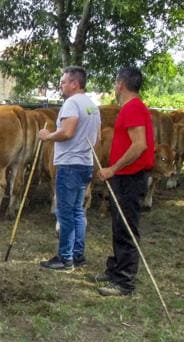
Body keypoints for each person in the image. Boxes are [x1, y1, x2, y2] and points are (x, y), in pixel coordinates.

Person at [94, 66, 155, 296]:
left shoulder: (133, 108)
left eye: (115, 82)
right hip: (124, 176)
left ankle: (125, 282)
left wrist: (113, 168)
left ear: (120, 84)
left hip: (130, 177)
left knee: (127, 228)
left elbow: (140, 145)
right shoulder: (132, 108)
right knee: (119, 225)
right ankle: (115, 270)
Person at [38, 66, 100, 272]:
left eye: (64, 81)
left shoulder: (72, 103)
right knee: (77, 211)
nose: (61, 85)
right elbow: (97, 138)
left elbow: (67, 132)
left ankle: (65, 259)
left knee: (65, 213)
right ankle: (77, 254)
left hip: (69, 164)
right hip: (85, 163)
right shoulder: (92, 106)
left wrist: (48, 136)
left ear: (75, 83)